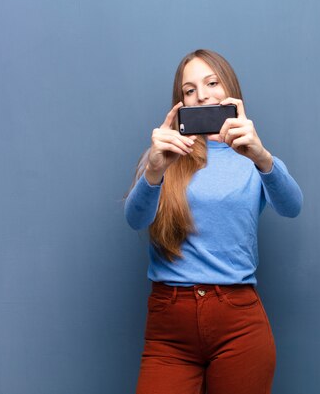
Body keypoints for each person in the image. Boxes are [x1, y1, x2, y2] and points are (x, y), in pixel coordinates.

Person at [124, 49, 303, 394]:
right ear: (180, 102)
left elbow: (292, 206)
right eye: (190, 90)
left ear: (230, 89)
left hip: (238, 321)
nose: (202, 95)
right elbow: (136, 219)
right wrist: (154, 169)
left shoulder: (251, 157)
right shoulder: (166, 153)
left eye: (211, 83)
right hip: (169, 324)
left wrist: (262, 157)